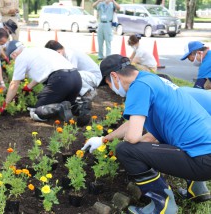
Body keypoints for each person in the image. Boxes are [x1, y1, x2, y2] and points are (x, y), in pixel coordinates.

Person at [81, 54, 211, 213]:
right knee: (162, 143)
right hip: (204, 154)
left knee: (125, 150)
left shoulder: (138, 87)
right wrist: (104, 139)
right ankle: (197, 191)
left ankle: (162, 205)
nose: (110, 88)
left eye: (108, 84)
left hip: (202, 161)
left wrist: (128, 150)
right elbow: (140, 129)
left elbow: (133, 137)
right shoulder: (151, 80)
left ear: (114, 76)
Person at [1, 40, 82, 123]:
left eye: (12, 58)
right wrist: (28, 87)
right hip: (76, 77)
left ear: (14, 54)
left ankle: (59, 107)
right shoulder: (37, 51)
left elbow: (14, 84)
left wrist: (6, 104)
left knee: (38, 112)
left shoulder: (21, 57)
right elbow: (44, 72)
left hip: (61, 79)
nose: (14, 60)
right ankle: (80, 107)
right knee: (69, 104)